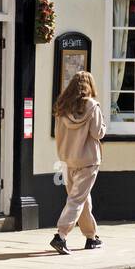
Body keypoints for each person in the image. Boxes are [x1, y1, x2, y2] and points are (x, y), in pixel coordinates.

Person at [50, 70, 106, 255]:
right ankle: (61, 236)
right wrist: (104, 126)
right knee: (76, 200)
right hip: (88, 161)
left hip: (67, 160)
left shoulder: (62, 106)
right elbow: (98, 133)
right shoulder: (92, 106)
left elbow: (58, 133)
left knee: (82, 199)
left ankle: (91, 237)